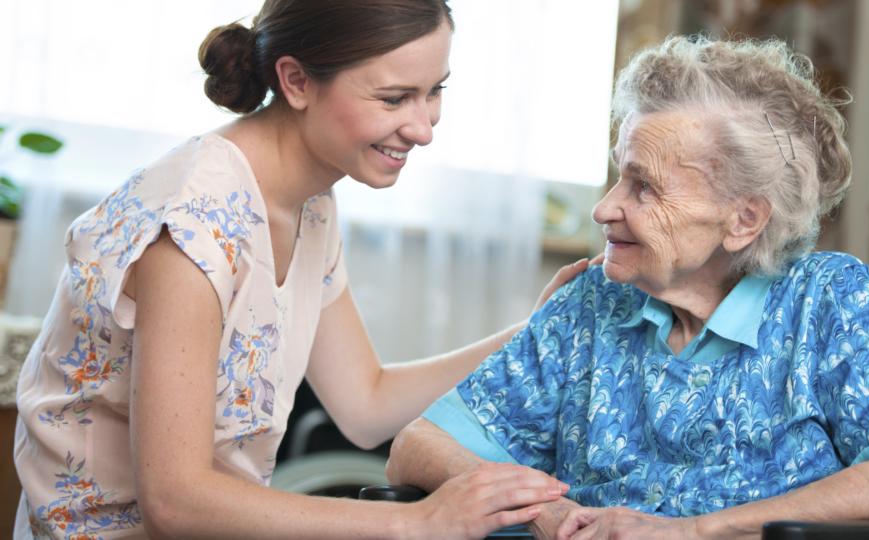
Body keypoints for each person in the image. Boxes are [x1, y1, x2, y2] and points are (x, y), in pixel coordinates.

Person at [13, 1, 580, 538]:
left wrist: (534, 332)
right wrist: (417, 523)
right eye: (393, 98)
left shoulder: (309, 202)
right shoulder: (193, 224)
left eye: (435, 92)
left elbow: (366, 403)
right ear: (297, 81)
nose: (424, 127)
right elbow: (174, 503)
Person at [386, 35, 869, 539]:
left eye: (644, 188)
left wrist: (693, 532)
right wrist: (546, 515)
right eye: (619, 174)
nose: (604, 208)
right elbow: (417, 447)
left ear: (744, 220)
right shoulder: (592, 302)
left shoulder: (828, 299)